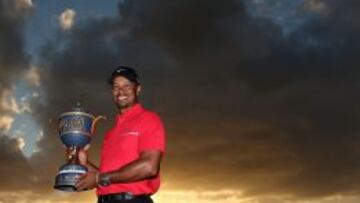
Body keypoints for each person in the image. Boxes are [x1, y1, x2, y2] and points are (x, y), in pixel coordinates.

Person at [73, 66, 166, 203]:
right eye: (116, 87)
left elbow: (149, 167)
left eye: (127, 86)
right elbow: (108, 176)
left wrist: (99, 178)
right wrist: (83, 162)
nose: (120, 91)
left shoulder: (149, 119)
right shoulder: (111, 133)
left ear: (138, 89)